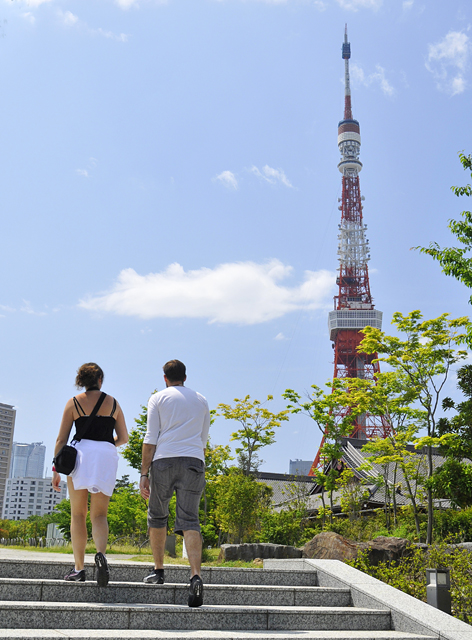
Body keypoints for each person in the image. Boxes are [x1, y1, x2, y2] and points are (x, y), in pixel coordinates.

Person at [140, 359, 210, 608]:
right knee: (190, 520)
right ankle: (195, 576)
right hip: (194, 461)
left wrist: (143, 473)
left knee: (158, 516)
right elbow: (203, 440)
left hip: (164, 461)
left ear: (165, 378)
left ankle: (158, 571)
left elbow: (151, 438)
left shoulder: (158, 398)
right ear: (185, 377)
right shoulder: (201, 400)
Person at [52, 363, 128, 587]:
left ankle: (79, 569)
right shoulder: (113, 403)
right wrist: (104, 445)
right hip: (105, 456)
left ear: (81, 381)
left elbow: (61, 440)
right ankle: (101, 556)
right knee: (99, 514)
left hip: (80, 457)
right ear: (100, 380)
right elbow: (123, 437)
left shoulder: (74, 403)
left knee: (78, 514)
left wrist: (56, 469)